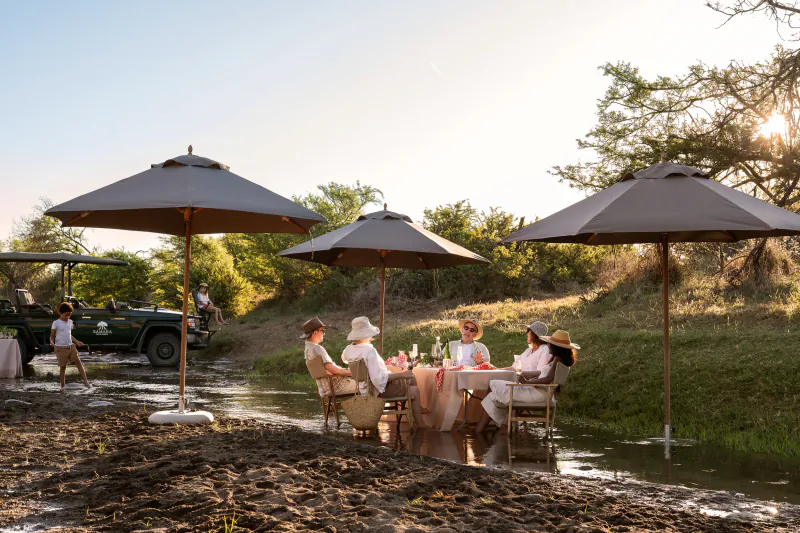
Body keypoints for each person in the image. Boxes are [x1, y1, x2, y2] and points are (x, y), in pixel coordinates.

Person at [475, 329, 579, 433]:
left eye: (550, 344)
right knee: (492, 397)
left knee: (492, 383)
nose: (548, 345)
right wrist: (524, 375)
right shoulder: (561, 361)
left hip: (536, 394)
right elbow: (542, 374)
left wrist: (526, 382)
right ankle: (489, 427)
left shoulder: (556, 360)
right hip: (540, 393)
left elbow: (547, 379)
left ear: (556, 347)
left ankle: (484, 429)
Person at [341, 316, 428, 428]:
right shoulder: (369, 350)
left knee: (410, 379)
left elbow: (344, 358)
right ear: (367, 334)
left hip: (362, 389)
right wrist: (401, 374)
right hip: (376, 391)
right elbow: (378, 379)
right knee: (413, 385)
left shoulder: (348, 349)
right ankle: (420, 422)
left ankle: (415, 406)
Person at [301, 317, 357, 397]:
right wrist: (352, 373)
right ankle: (367, 408)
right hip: (337, 388)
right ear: (315, 333)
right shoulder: (317, 349)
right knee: (366, 383)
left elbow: (326, 370)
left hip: (324, 390)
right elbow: (334, 370)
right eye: (322, 331)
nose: (324, 333)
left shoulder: (307, 350)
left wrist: (345, 371)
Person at [50, 302, 91, 392]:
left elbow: (69, 334)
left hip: (71, 347)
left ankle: (86, 382)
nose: (68, 317)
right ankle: (62, 386)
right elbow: (52, 335)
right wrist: (51, 341)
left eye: (69, 315)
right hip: (60, 348)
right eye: (66, 315)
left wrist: (77, 342)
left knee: (79, 363)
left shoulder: (70, 322)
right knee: (63, 367)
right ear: (60, 313)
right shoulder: (56, 323)